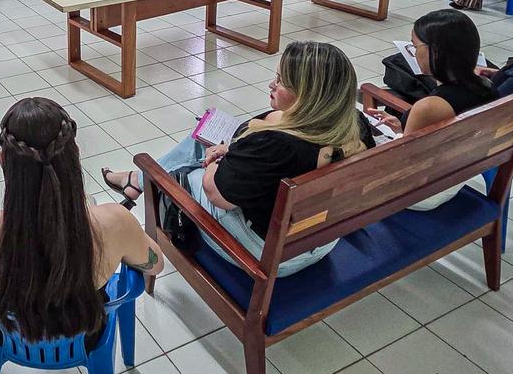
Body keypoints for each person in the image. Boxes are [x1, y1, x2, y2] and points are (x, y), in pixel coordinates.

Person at [101, 42, 373, 277]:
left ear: (308, 97)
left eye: (280, 81)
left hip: (271, 256)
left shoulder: (277, 145)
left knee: (193, 167)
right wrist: (233, 150)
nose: (271, 84)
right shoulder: (354, 124)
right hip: (322, 239)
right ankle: (136, 180)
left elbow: (216, 193)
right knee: (204, 140)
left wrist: (214, 162)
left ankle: (142, 177)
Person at [0, 97, 162, 346]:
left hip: (5, 333)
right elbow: (155, 265)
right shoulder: (114, 222)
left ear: (3, 161)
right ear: (75, 156)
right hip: (85, 332)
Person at [367, 10, 498, 212]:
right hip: (458, 176)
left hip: (422, 194)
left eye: (414, 46)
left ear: (435, 52)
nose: (412, 52)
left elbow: (401, 165)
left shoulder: (430, 107)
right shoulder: (487, 87)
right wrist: (402, 128)